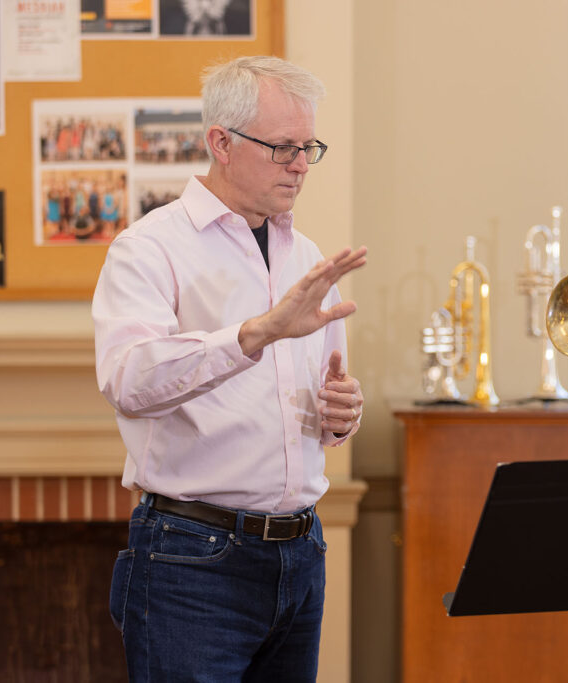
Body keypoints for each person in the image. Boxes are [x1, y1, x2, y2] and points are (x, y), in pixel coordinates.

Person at [92, 55, 367, 682]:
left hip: (301, 556)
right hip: (192, 561)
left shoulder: (308, 255)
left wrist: (341, 414)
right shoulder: (149, 248)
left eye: (308, 147)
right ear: (221, 142)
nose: (301, 165)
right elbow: (130, 381)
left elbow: (320, 411)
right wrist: (256, 333)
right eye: (283, 148)